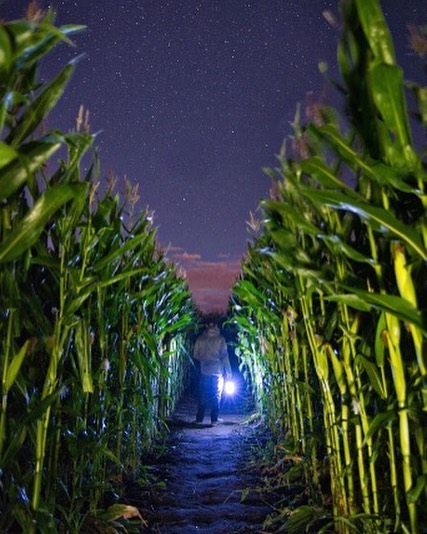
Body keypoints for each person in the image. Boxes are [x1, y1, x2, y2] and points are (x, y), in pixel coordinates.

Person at [193, 321, 232, 425]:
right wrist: (228, 370)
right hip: (217, 370)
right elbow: (224, 356)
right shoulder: (220, 339)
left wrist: (203, 359)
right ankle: (214, 419)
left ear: (206, 325)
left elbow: (195, 355)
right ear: (216, 325)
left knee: (203, 394)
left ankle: (199, 419)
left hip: (204, 370)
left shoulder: (200, 339)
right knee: (216, 394)